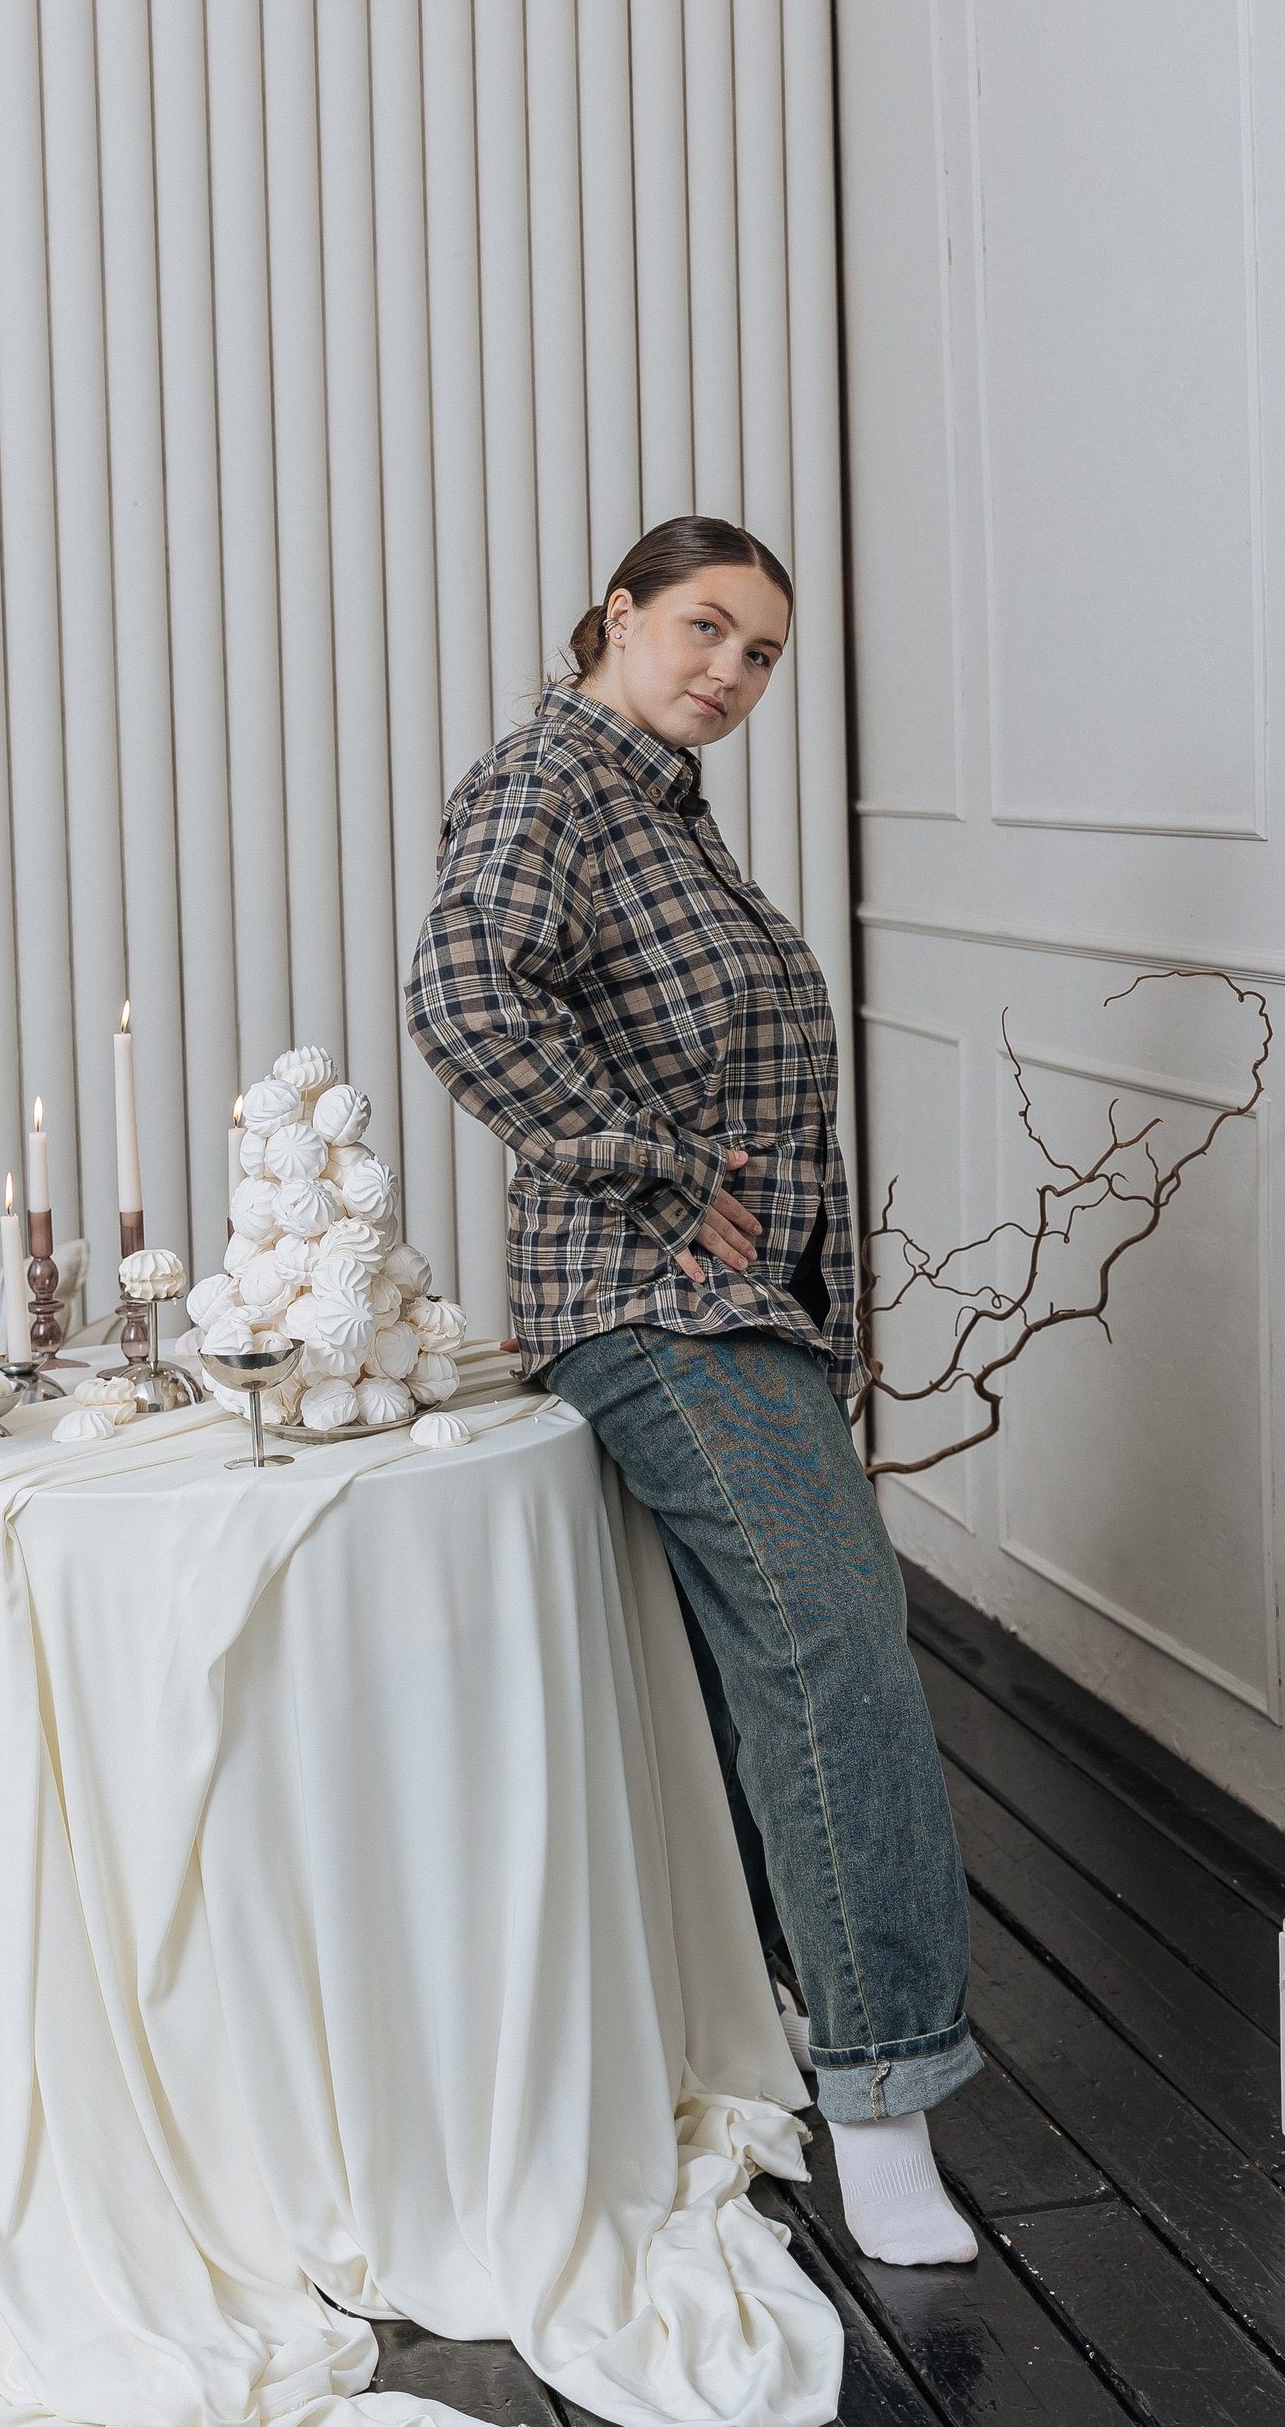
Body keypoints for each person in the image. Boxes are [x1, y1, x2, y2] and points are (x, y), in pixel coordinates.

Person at [407, 514, 979, 2267]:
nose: (730, 672)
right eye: (705, 629)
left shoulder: (663, 809)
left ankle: (790, 2019)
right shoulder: (553, 780)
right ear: (619, 615)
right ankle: (884, 2099)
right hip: (648, 1302)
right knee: (836, 1648)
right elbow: (461, 997)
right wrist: (657, 1170)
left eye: (761, 655)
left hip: (738, 1304)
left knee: (771, 1663)